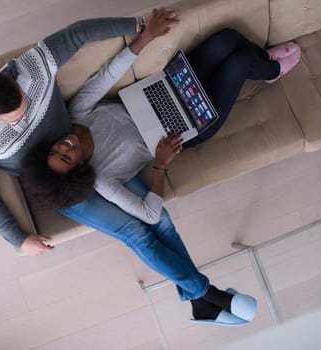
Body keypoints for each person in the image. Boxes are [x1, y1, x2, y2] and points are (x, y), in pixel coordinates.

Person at [20, 10, 301, 325]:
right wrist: (160, 165)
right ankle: (271, 69)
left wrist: (145, 38)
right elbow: (151, 216)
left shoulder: (77, 114)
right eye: (66, 157)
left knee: (227, 39)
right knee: (238, 65)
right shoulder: (103, 180)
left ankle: (201, 302)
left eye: (56, 148)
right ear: (79, 168)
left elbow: (107, 76)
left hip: (165, 89)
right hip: (184, 129)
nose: (65, 145)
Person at [0, 12, 161, 256]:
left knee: (162, 223)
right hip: (56, 182)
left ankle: (200, 290)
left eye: (26, 101)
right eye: (18, 117)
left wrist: (139, 24)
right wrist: (19, 239)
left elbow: (78, 32)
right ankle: (201, 291)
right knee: (135, 232)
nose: (28, 113)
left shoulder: (31, 69)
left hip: (82, 142)